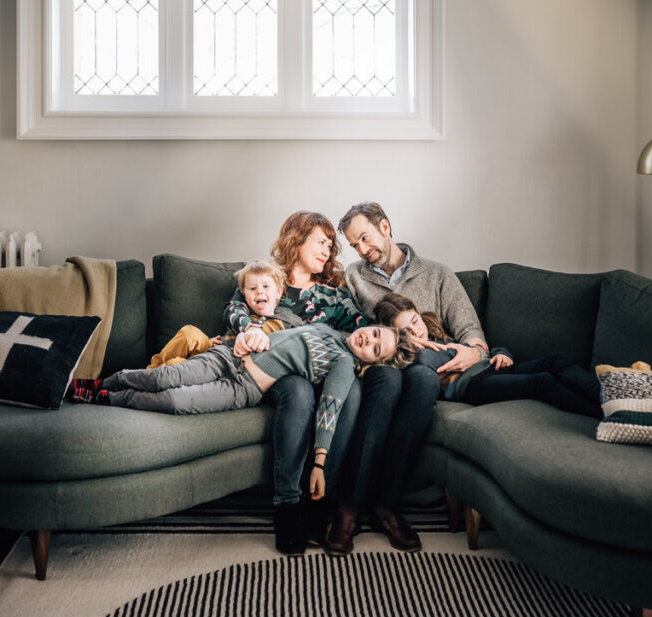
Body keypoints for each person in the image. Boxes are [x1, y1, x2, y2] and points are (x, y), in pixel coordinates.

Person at [70, 322, 418, 555]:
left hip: (242, 387)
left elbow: (330, 409)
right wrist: (244, 333)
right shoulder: (325, 327)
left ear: (371, 363)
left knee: (175, 401)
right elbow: (273, 328)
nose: (368, 341)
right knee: (165, 378)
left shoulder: (343, 364)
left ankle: (109, 398)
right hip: (228, 357)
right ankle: (107, 382)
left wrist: (319, 463)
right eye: (373, 333)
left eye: (375, 349)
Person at [325, 202, 491, 556]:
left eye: (365, 238)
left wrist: (473, 352)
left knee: (422, 380)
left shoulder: (438, 274)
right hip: (378, 367)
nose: (362, 250)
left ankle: (387, 504)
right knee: (388, 382)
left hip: (424, 366)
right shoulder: (354, 277)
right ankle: (349, 508)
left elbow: (471, 332)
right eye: (355, 245)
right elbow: (339, 324)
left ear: (385, 227)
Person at [221, 211, 371, 555]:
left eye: (331, 245)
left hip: (325, 374)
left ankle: (321, 500)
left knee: (352, 390)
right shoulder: (267, 280)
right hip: (276, 374)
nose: (327, 250)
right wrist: (250, 328)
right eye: (321, 241)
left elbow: (364, 329)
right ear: (296, 240)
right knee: (300, 391)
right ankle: (287, 507)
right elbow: (233, 308)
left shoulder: (332, 295)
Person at [374, 293, 602, 417]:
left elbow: (483, 348)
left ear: (418, 313)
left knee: (555, 360)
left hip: (492, 367)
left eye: (415, 321)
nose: (416, 331)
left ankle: (609, 398)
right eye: (406, 331)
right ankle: (602, 413)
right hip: (473, 386)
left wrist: (502, 354)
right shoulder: (411, 358)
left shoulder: (441, 338)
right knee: (542, 382)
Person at [146, 260, 300, 368]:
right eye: (252, 289)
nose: (259, 291)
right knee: (189, 333)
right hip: (215, 347)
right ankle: (151, 368)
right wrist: (211, 343)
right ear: (244, 295)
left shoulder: (283, 321)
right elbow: (231, 313)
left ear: (278, 293)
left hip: (223, 362)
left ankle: (154, 374)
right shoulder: (243, 312)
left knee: (175, 364)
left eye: (266, 286)